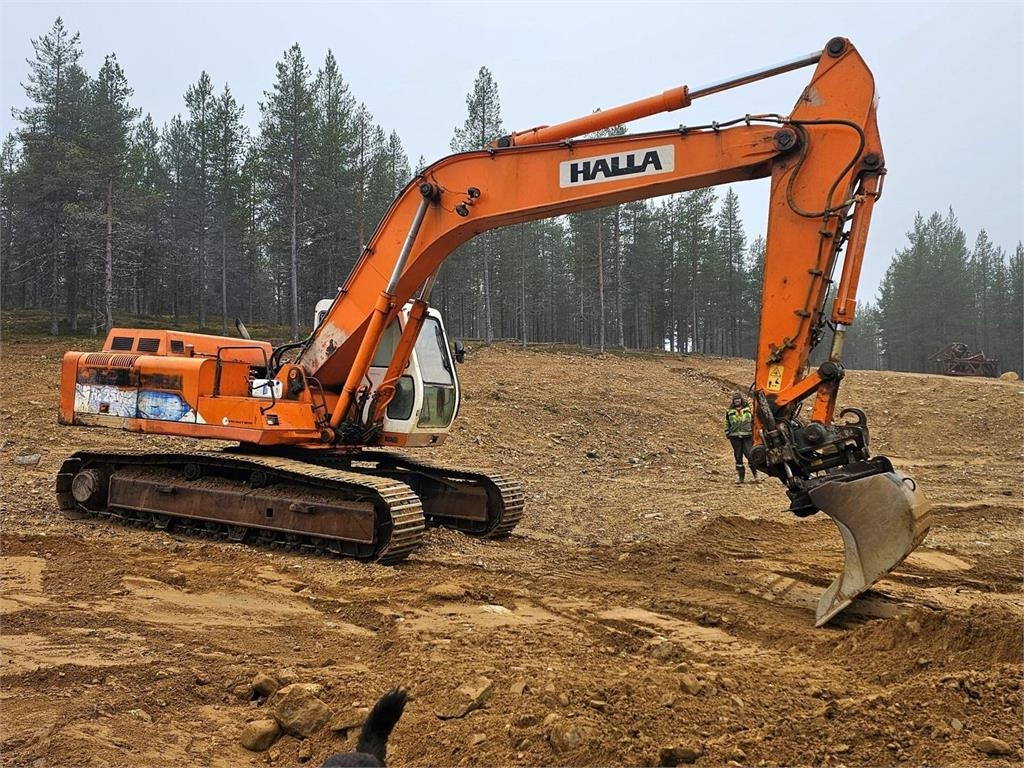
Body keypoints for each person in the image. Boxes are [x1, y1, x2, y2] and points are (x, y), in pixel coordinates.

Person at [724, 391, 759, 483]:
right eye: (735, 399)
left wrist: (754, 432)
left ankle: (756, 475)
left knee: (750, 455)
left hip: (747, 436)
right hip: (735, 437)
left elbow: (753, 421)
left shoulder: (748, 409)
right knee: (738, 457)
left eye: (738, 399)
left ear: (741, 400)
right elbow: (726, 422)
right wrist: (727, 431)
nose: (737, 401)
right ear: (733, 401)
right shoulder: (729, 411)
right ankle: (741, 477)